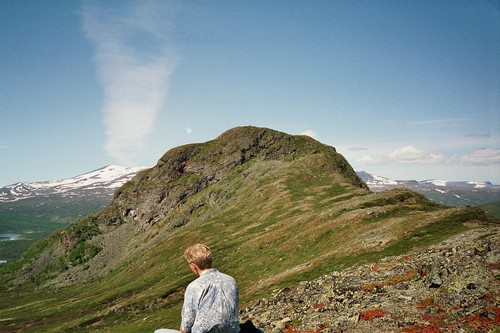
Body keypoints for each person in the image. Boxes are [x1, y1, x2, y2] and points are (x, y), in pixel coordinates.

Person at [155, 244, 240, 333]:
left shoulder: (194, 286)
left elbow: (186, 327)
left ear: (193, 266)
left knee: (159, 332)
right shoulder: (231, 280)